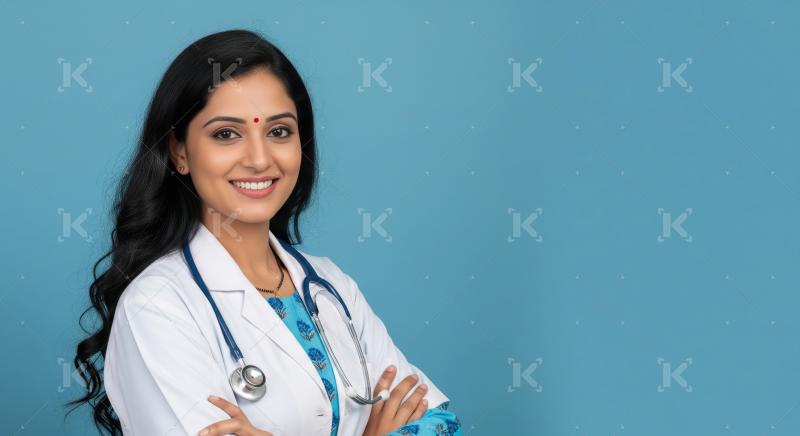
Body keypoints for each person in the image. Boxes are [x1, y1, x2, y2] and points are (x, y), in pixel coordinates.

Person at [66, 29, 462, 436]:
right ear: (179, 152)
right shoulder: (157, 306)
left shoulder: (331, 286)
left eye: (278, 131)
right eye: (226, 134)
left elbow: (442, 424)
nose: (259, 158)